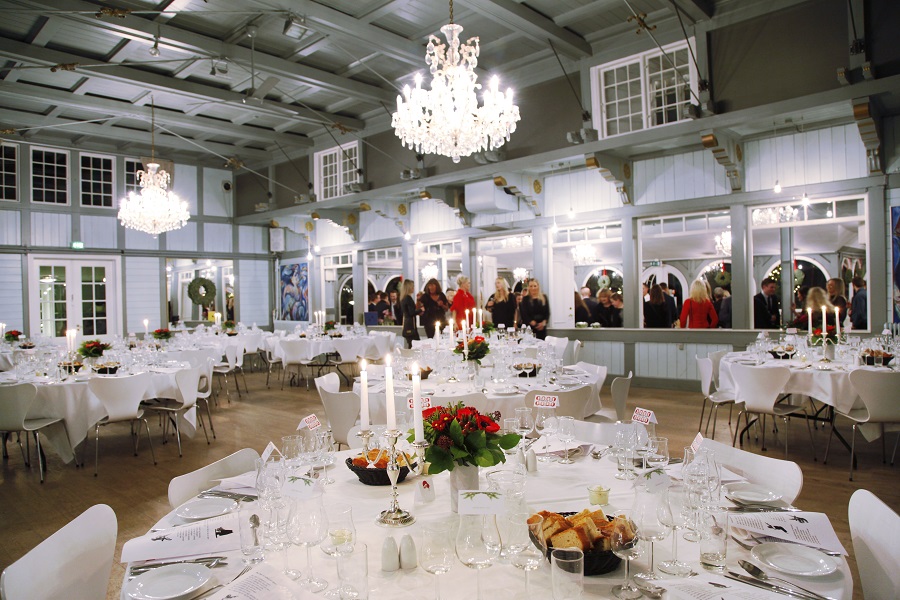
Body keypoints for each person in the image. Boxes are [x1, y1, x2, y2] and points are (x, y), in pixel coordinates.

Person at [399, 279, 420, 347]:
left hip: (407, 324)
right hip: (411, 325)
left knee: (411, 344)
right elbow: (411, 312)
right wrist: (420, 310)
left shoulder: (403, 298)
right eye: (412, 286)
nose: (413, 288)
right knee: (416, 344)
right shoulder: (408, 298)